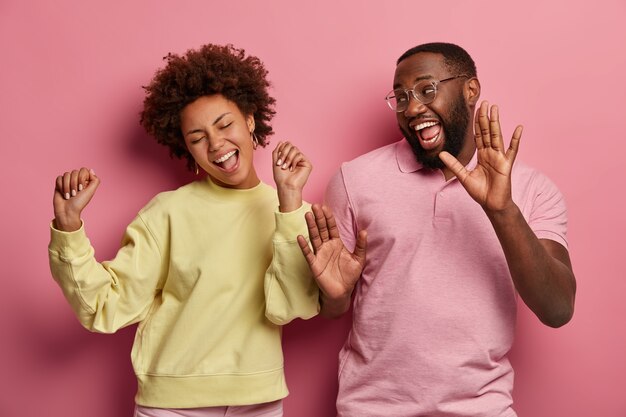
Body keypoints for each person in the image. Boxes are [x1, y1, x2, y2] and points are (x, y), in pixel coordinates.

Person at [297, 42, 576, 417]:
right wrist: (334, 297)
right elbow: (333, 308)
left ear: (470, 90)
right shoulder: (355, 180)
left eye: (427, 90)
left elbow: (557, 309)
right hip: (373, 409)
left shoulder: (532, 190)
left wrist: (502, 210)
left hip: (483, 409)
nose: (412, 108)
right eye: (400, 97)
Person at [48, 44, 319, 417]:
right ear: (186, 149)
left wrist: (289, 199)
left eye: (225, 125)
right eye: (197, 137)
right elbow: (104, 307)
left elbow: (289, 308)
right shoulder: (167, 213)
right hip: (172, 407)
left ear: (251, 120)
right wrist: (69, 226)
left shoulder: (293, 212)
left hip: (259, 401)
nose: (216, 144)